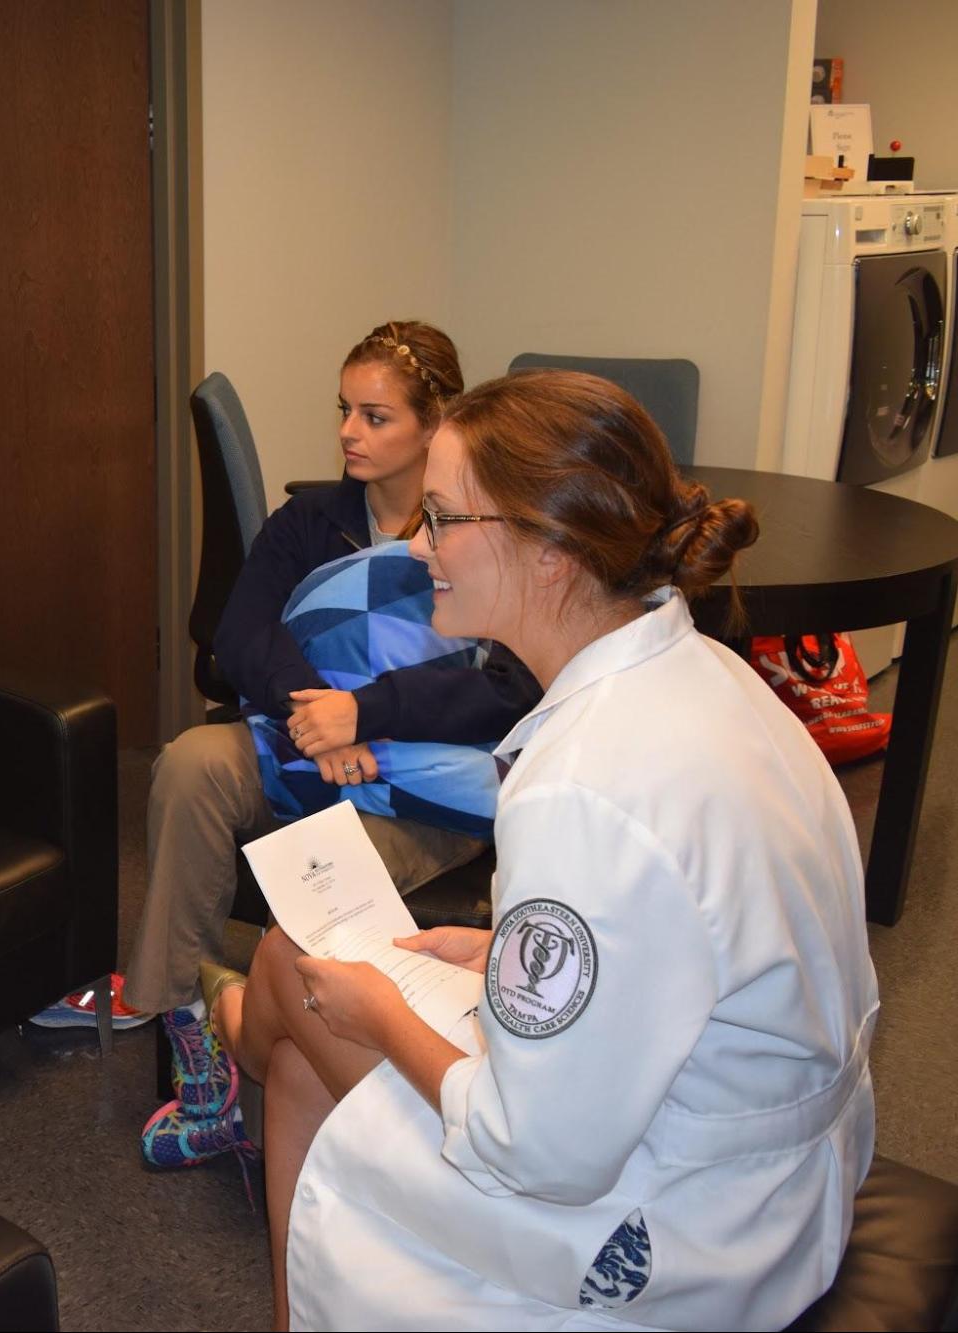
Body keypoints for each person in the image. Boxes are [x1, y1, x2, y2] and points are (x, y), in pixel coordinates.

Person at [213, 370, 879, 1329]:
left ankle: (243, 1032)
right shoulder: (718, 684)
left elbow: (533, 1152)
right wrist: (504, 955)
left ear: (549, 553)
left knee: (306, 989)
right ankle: (252, 1032)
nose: (416, 546)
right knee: (296, 987)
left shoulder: (579, 788)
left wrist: (381, 1015)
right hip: (786, 1177)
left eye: (440, 519)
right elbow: (695, 932)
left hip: (677, 1231)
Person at [106, 322, 540, 1161]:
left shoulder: (484, 526)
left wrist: (366, 714)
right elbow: (239, 632)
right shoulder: (309, 519)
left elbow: (509, 685)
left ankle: (303, 1076)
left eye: (374, 416)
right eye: (344, 410)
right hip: (301, 737)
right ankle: (188, 1022)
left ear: (434, 420)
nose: (348, 432)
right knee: (191, 762)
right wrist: (318, 715)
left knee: (321, 866)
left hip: (417, 774)